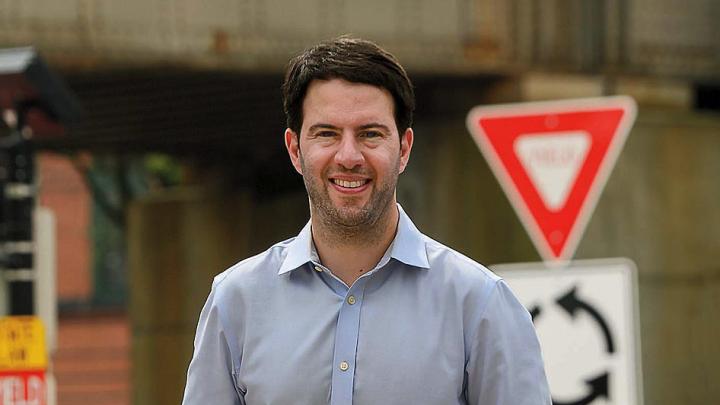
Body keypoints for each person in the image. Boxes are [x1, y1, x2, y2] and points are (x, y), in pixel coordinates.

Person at [182, 37, 551, 405]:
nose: (348, 156)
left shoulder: (479, 304)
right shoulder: (236, 302)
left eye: (370, 134)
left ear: (404, 148)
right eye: (326, 133)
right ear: (295, 150)